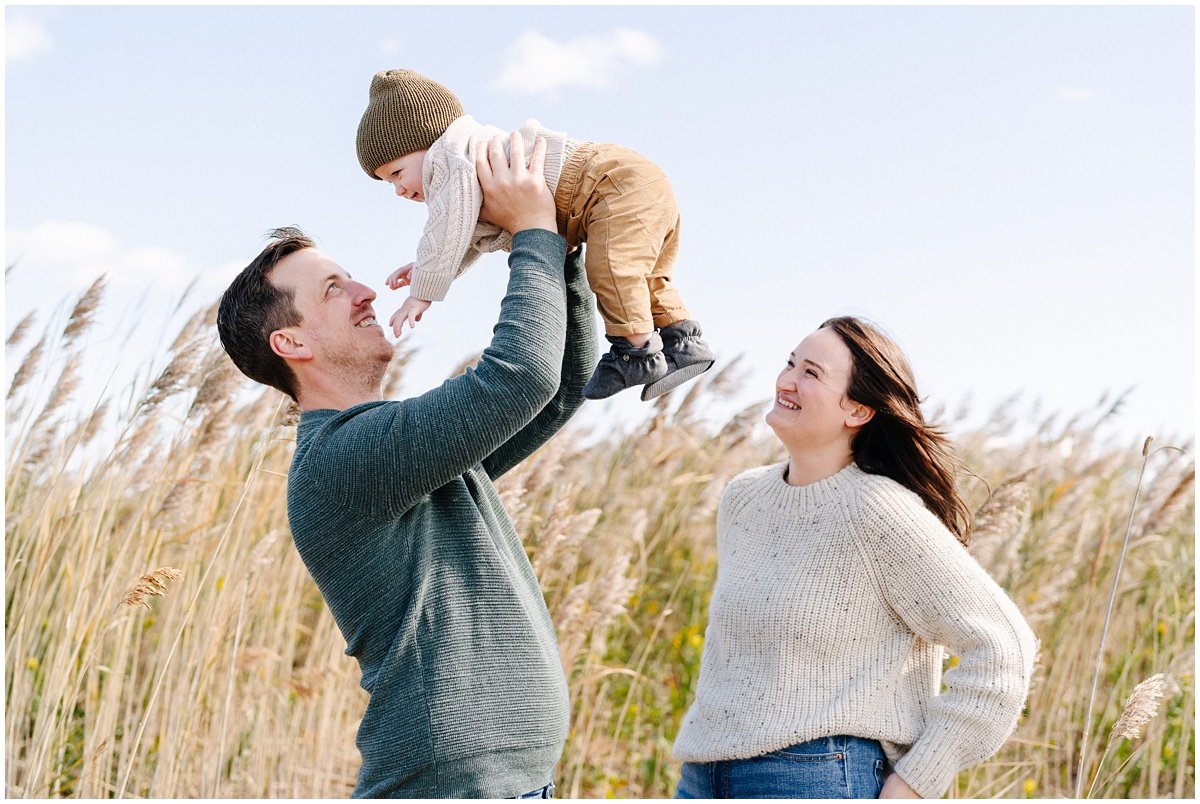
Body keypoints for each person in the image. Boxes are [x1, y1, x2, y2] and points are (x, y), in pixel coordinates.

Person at [216, 134, 596, 798]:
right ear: (291, 342)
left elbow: (560, 386)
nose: (366, 291)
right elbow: (520, 378)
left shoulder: (396, 452)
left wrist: (558, 247)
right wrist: (530, 228)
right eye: (335, 289)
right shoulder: (347, 459)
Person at [672, 316, 1038, 799]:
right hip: (703, 776)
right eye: (789, 363)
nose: (787, 380)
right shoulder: (744, 497)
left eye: (812, 373)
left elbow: (1003, 647)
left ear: (859, 411)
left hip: (815, 776)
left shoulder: (880, 512)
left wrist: (914, 782)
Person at [355, 68, 715, 402]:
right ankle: (684, 342)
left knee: (611, 271)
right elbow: (464, 234)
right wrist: (427, 267)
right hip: (631, 180)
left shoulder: (449, 156)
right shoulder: (469, 159)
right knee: (647, 276)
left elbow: (447, 226)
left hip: (609, 185)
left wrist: (422, 295)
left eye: (397, 173)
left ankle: (635, 353)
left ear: (426, 142)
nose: (398, 190)